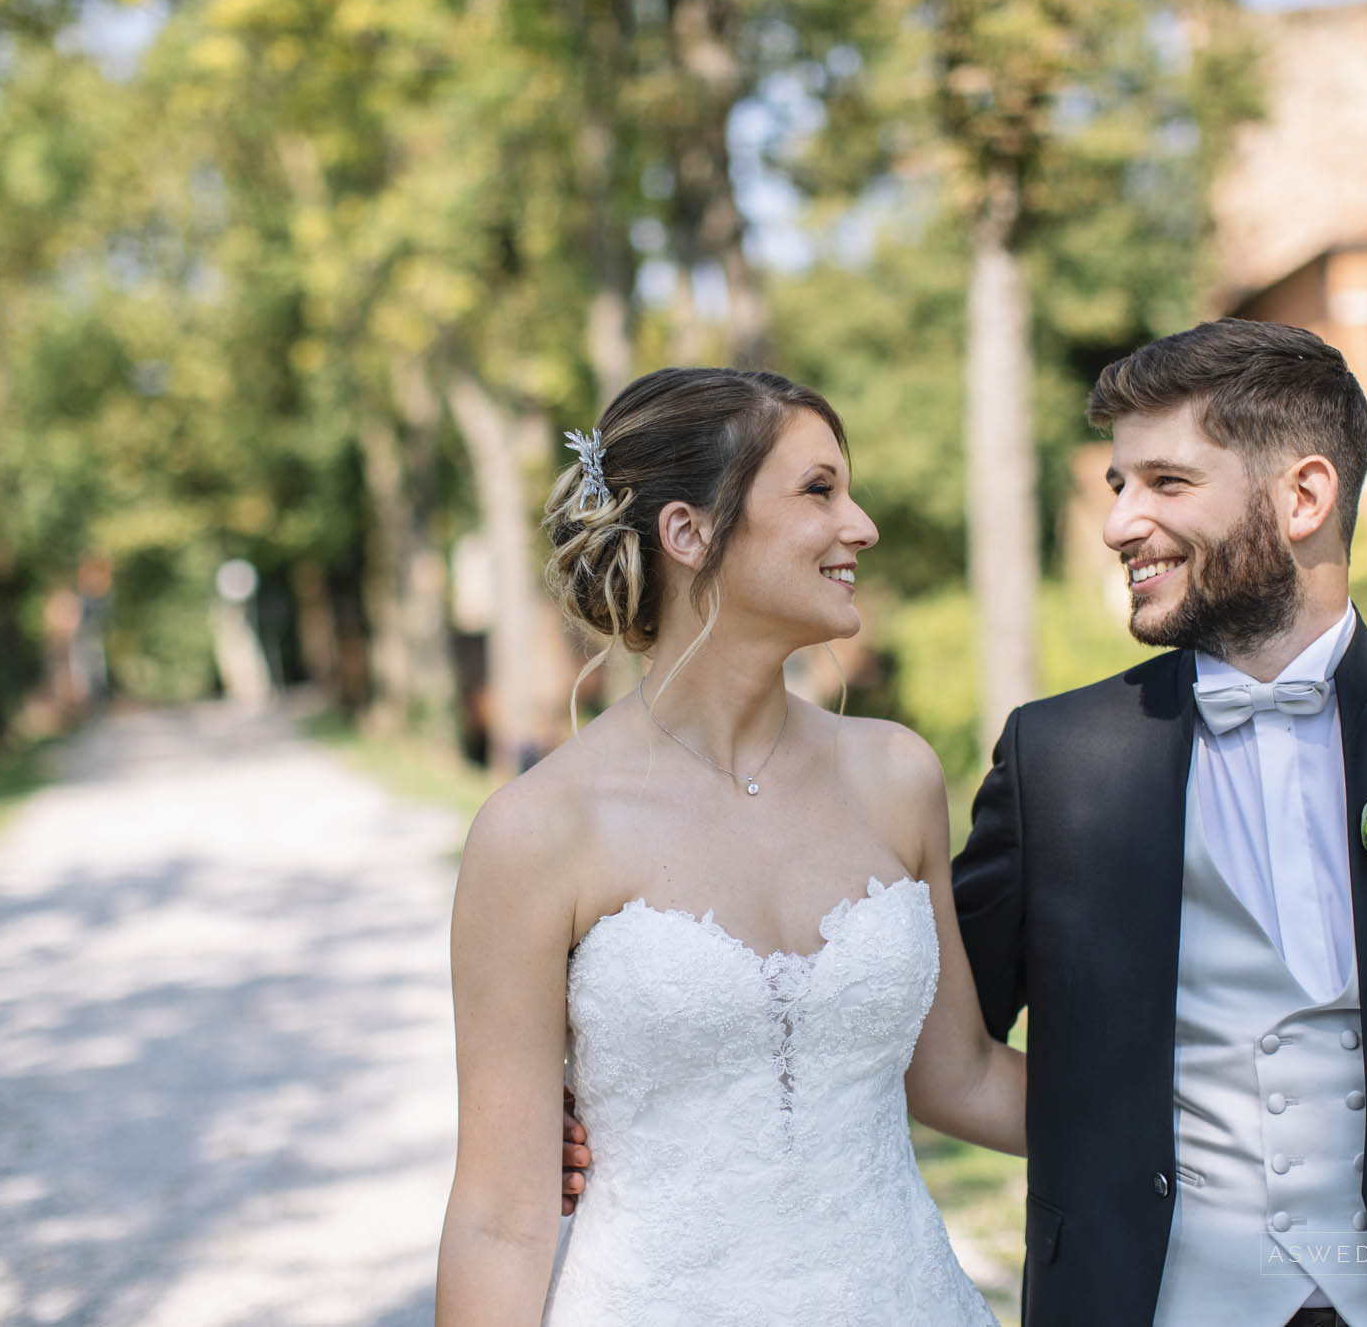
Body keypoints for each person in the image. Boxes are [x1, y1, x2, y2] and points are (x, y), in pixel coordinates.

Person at [948, 319, 1367, 1325]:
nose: (1118, 523)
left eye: (1166, 483)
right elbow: (939, 1039)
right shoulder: (1056, 758)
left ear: (1303, 496)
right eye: (1117, 485)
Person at [435, 367, 1026, 1325]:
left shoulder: (898, 776)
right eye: (819, 490)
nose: (861, 525)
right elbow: (500, 1220)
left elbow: (960, 1077)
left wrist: (1189, 1111)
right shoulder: (538, 830)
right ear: (688, 531)